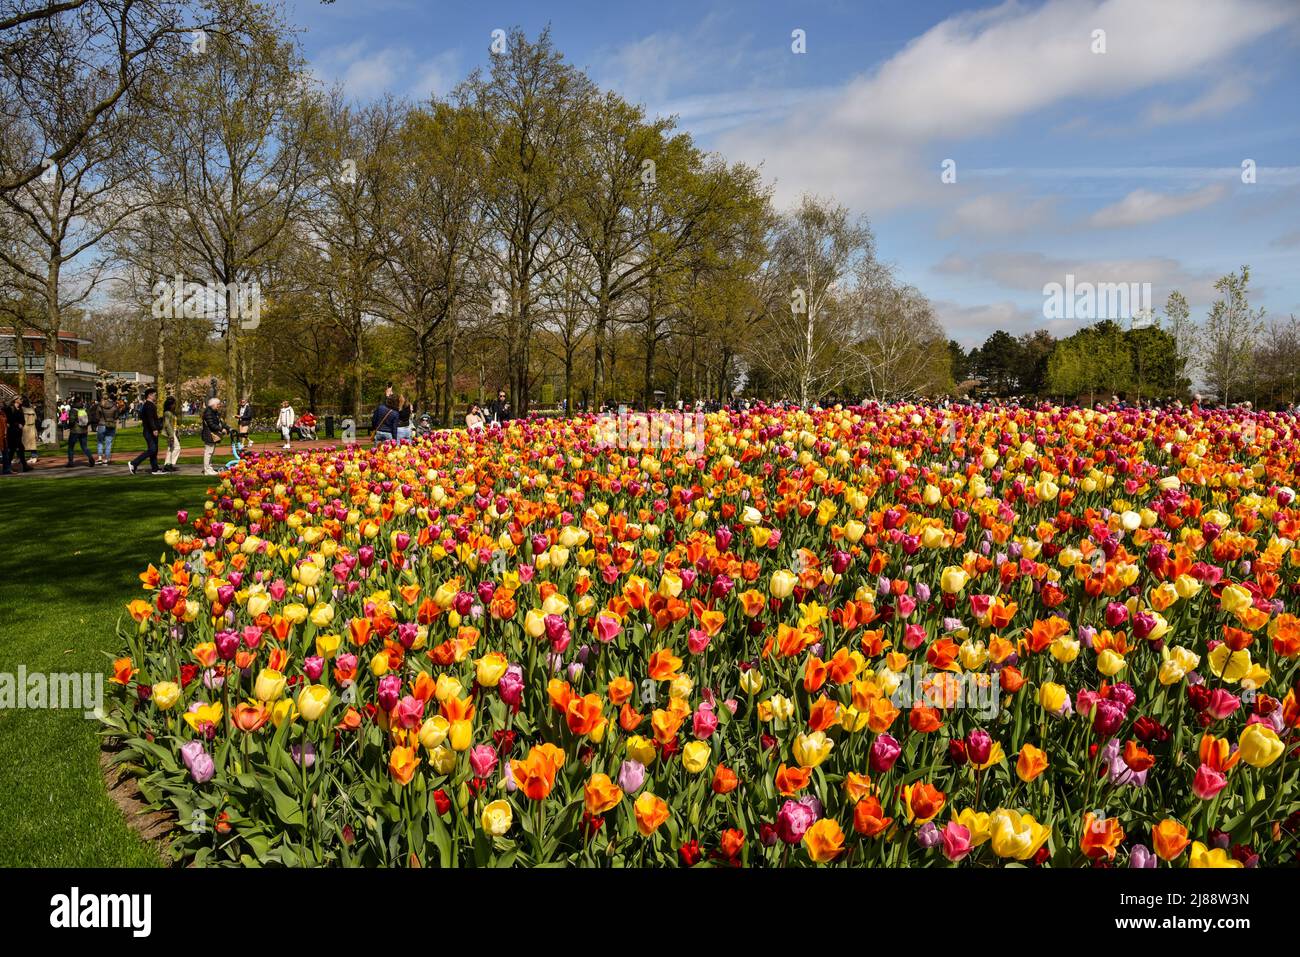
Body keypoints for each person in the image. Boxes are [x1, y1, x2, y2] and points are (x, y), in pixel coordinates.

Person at [128, 387, 164, 475]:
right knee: (152, 449)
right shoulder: (149, 405)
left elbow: (151, 418)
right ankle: (134, 463)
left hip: (149, 430)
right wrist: (154, 429)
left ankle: (155, 469)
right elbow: (150, 419)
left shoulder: (149, 405)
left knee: (154, 450)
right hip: (149, 431)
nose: (156, 396)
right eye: (155, 395)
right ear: (150, 395)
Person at [65, 395, 94, 467]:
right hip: (84, 431)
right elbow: (90, 420)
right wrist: (85, 425)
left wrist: (68, 426)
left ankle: (71, 462)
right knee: (84, 447)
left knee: (71, 447)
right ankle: (90, 457)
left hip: (75, 431)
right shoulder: (85, 409)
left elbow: (71, 421)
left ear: (74, 402)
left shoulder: (73, 410)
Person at [201, 397, 227, 475]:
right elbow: (211, 424)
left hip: (211, 435)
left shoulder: (213, 412)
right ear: (213, 404)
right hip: (209, 434)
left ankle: (209, 468)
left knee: (210, 452)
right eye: (218, 404)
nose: (219, 406)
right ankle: (207, 470)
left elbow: (220, 422)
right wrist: (221, 429)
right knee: (208, 452)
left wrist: (227, 428)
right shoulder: (209, 412)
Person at [93, 390, 119, 465]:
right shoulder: (114, 405)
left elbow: (97, 417)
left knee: (100, 442)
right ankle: (107, 459)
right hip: (110, 425)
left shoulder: (100, 405)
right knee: (108, 443)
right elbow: (116, 416)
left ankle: (100, 458)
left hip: (101, 425)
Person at [1, 397, 24, 474]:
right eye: (20, 399)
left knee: (17, 448)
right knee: (11, 449)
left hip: (15, 432)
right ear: (15, 400)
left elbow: (22, 420)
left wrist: (21, 424)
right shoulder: (9, 409)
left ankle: (8, 468)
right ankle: (7, 468)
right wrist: (16, 424)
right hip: (11, 432)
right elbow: (9, 421)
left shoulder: (20, 409)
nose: (21, 400)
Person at [161, 396, 182, 472]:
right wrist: (171, 435)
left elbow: (174, 424)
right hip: (170, 433)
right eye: (174, 404)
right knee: (177, 448)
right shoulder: (167, 413)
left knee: (171, 449)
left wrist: (177, 433)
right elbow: (167, 425)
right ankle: (170, 464)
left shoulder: (172, 413)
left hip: (174, 432)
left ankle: (167, 465)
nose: (175, 406)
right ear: (170, 405)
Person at [22, 398, 37, 464]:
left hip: (24, 427)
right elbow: (35, 418)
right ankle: (34, 457)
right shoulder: (32, 410)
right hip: (32, 427)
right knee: (32, 443)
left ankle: (20, 457)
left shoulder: (22, 409)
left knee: (21, 443)